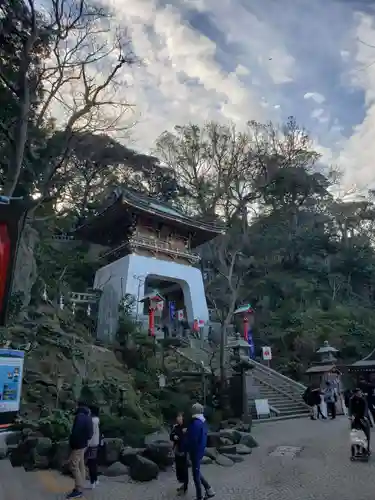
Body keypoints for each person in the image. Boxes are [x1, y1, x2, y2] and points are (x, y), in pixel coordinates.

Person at [186, 403, 215, 500]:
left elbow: (193, 439)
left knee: (196, 475)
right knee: (197, 472)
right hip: (200, 450)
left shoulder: (195, 423)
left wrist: (187, 450)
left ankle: (200, 497)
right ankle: (209, 489)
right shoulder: (202, 422)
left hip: (195, 451)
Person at [66, 402, 93, 499]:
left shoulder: (79, 417)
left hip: (78, 445)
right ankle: (82, 484)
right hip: (84, 444)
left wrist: (73, 445)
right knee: (81, 463)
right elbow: (90, 434)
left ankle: (78, 489)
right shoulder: (88, 417)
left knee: (73, 465)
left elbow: (75, 433)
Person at [170, 412, 189, 495]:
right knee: (179, 469)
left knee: (184, 469)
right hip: (177, 450)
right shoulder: (176, 427)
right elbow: (171, 435)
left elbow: (188, 438)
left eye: (180, 417)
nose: (178, 418)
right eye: (177, 417)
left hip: (184, 451)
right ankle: (182, 484)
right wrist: (173, 436)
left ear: (183, 418)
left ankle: (185, 487)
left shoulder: (187, 427)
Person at [349, 388, 370, 454]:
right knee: (356, 435)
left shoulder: (363, 398)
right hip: (355, 419)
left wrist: (365, 416)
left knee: (366, 435)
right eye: (357, 393)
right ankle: (358, 450)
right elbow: (350, 409)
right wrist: (351, 416)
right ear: (355, 394)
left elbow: (366, 408)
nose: (359, 394)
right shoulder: (352, 399)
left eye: (360, 393)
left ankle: (366, 449)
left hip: (363, 418)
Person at [86, 405, 100, 489]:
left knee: (91, 463)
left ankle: (92, 482)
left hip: (90, 444)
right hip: (96, 443)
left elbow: (89, 433)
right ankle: (95, 479)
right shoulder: (97, 420)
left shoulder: (91, 421)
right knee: (94, 462)